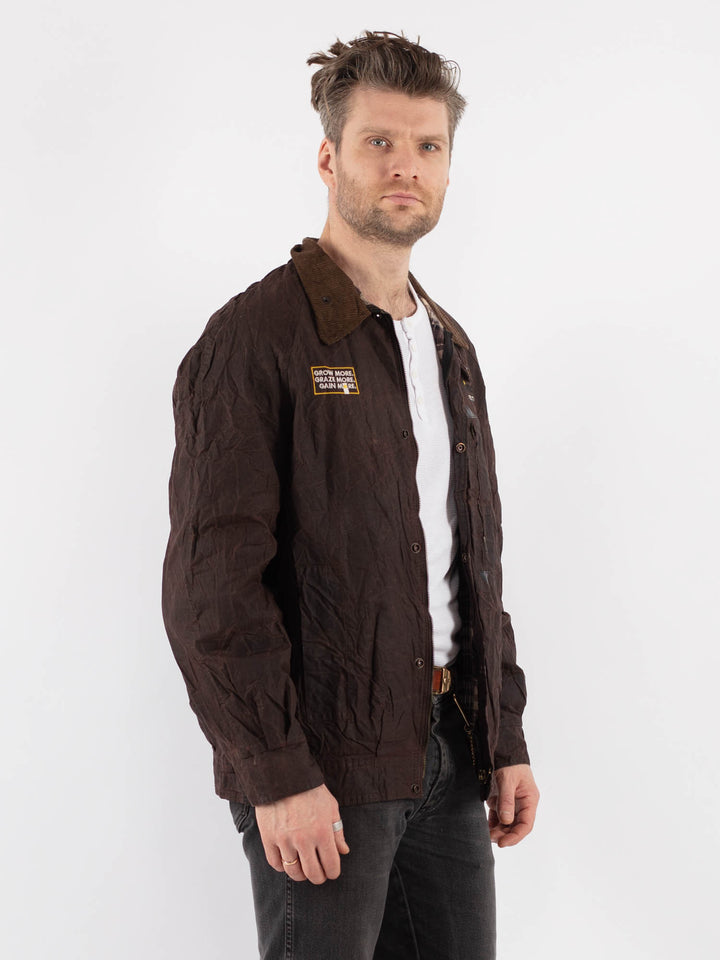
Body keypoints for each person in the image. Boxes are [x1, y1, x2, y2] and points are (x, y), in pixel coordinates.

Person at [162, 30, 539, 960]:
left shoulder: (449, 346)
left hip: (453, 753)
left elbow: (470, 561)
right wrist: (276, 774)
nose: (405, 166)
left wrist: (505, 735)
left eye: (427, 146)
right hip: (323, 766)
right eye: (379, 142)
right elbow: (212, 588)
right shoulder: (255, 338)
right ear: (329, 158)